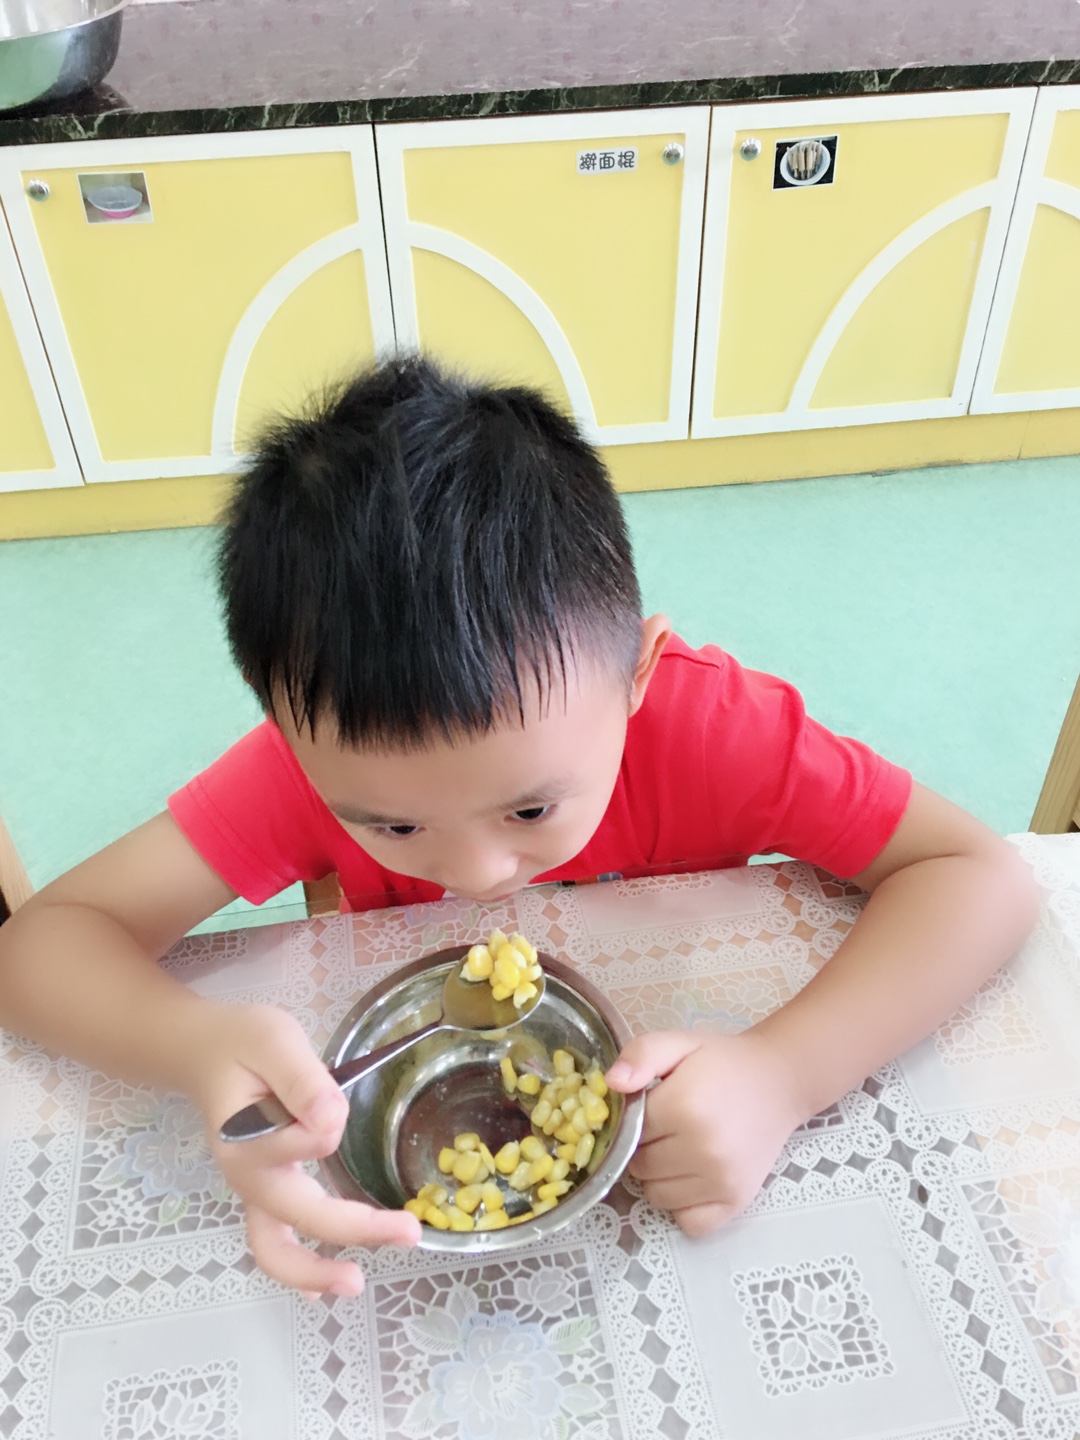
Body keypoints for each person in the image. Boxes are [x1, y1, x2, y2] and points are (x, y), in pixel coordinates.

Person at [0, 358, 1038, 1298]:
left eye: (531, 809)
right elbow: (40, 948)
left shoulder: (711, 728)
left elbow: (979, 877)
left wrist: (785, 1073)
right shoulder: (303, 771)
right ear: (292, 738)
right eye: (394, 825)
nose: (479, 872)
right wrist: (197, 1046)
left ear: (636, 675)